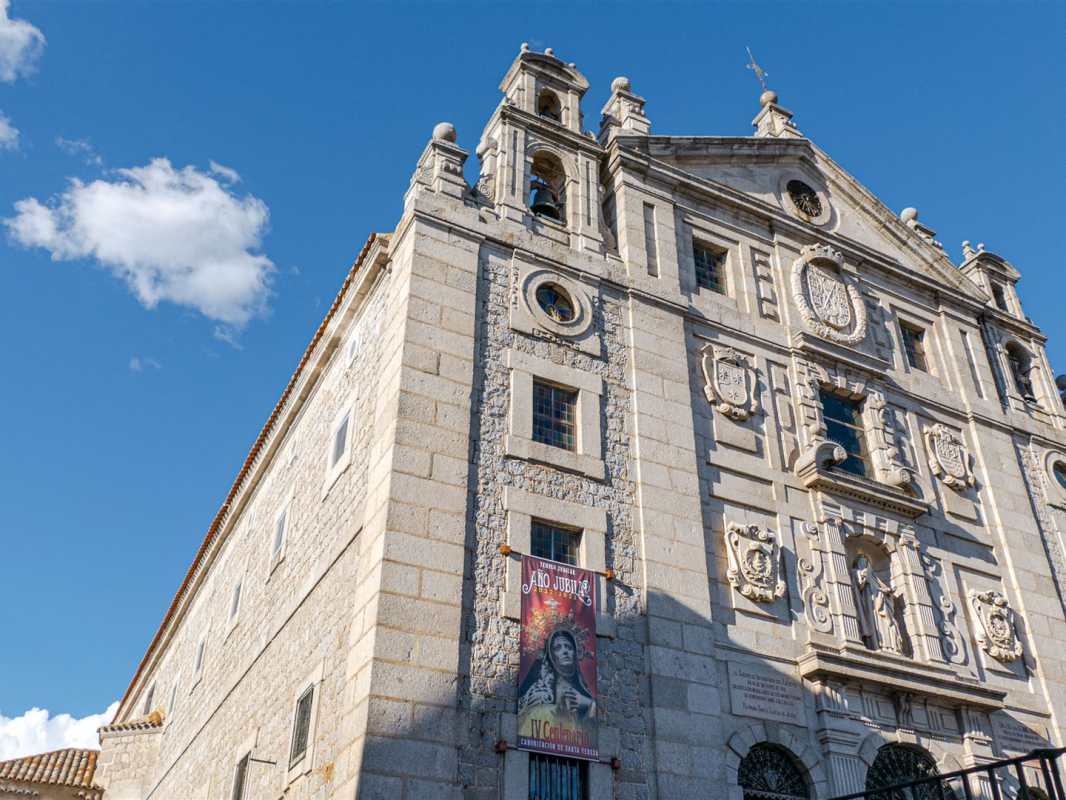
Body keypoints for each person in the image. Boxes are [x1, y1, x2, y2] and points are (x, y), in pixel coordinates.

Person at [518, 628, 596, 720]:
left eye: (569, 647)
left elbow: (592, 728)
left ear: (575, 654)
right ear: (551, 655)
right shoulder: (539, 691)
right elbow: (525, 718)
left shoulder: (582, 691)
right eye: (558, 648)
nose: (565, 651)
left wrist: (588, 703)